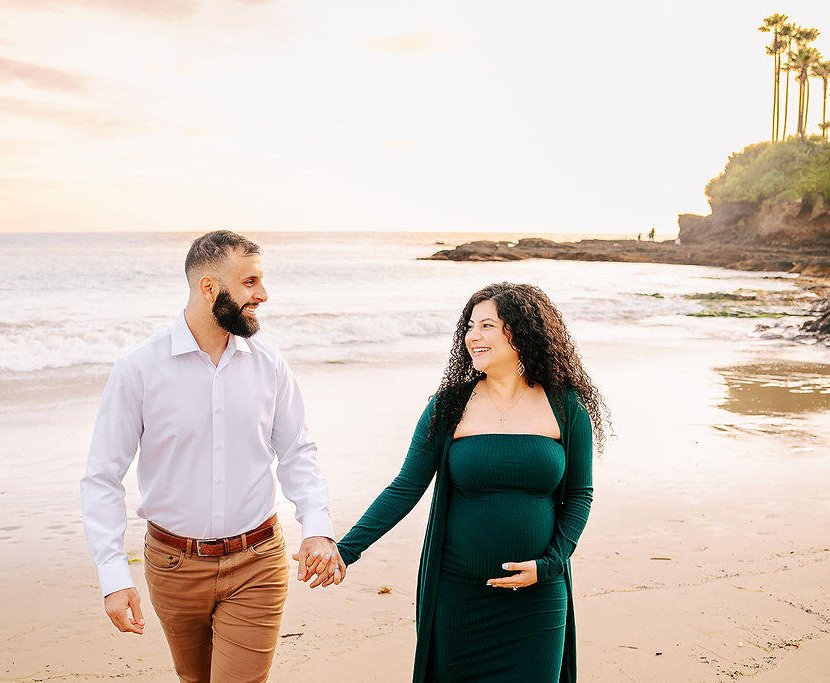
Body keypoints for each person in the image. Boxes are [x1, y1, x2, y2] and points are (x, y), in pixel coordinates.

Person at [81, 230, 344, 683]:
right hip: (172, 566)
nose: (263, 294)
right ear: (208, 288)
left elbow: (298, 451)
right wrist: (113, 573)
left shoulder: (270, 365)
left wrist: (317, 529)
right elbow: (103, 476)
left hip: (258, 562)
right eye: (250, 282)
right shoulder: (140, 368)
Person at [337, 282, 609, 682]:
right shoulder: (449, 405)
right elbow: (406, 487)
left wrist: (550, 565)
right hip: (459, 597)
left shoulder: (565, 405)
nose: (472, 336)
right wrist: (346, 550)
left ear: (520, 331)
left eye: (486, 325)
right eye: (469, 326)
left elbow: (579, 496)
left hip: (537, 596)